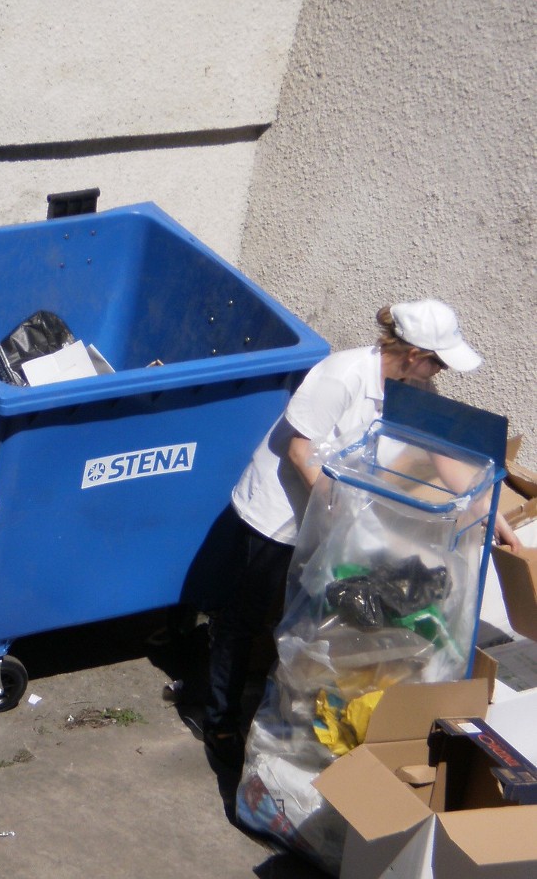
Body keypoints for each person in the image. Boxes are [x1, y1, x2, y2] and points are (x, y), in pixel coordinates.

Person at [203, 298, 520, 770]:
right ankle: (219, 719)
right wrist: (337, 513)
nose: (439, 371)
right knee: (243, 617)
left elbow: (440, 452)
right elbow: (299, 449)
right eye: (436, 360)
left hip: (330, 519)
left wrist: (486, 510)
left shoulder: (415, 386)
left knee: (306, 614)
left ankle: (284, 710)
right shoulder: (341, 375)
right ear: (413, 353)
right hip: (278, 516)